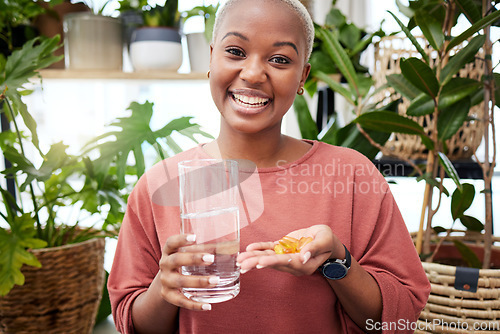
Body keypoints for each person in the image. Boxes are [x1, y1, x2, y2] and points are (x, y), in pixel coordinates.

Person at [108, 0, 430, 333]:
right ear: (211, 58)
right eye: (235, 51)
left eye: (279, 59)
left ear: (302, 76)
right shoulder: (159, 184)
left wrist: (337, 259)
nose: (252, 73)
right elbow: (131, 321)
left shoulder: (351, 175)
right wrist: (165, 288)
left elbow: (400, 313)